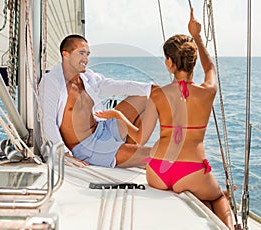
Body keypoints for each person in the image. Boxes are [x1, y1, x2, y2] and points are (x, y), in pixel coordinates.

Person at [95, 8, 234, 229]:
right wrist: (196, 35)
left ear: (169, 62)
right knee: (218, 198)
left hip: (159, 172)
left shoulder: (157, 94)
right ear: (192, 62)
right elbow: (211, 68)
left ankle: (201, 197)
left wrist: (118, 115)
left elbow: (139, 139)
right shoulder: (208, 91)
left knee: (204, 197)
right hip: (192, 170)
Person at [38, 34, 152, 168]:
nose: (85, 59)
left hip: (103, 129)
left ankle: (130, 151)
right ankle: (130, 155)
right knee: (155, 153)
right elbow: (48, 120)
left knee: (146, 96)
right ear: (65, 54)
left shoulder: (87, 76)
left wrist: (154, 89)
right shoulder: (51, 81)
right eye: (81, 53)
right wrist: (64, 154)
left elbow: (115, 85)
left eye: (87, 54)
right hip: (89, 148)